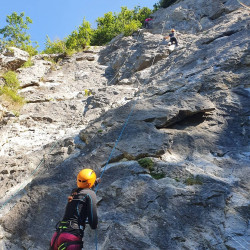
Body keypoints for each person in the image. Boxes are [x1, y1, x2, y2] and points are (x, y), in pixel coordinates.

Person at [50, 169, 99, 250]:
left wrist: (94, 183)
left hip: (57, 237)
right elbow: (93, 222)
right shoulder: (91, 194)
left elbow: (83, 190)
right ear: (90, 183)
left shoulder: (74, 192)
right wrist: (95, 224)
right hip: (70, 238)